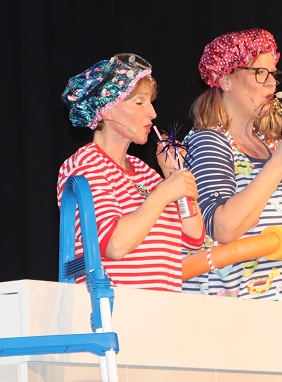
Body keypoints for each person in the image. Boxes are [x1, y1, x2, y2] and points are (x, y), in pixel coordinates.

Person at [182, 29, 282, 300]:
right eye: (260, 73)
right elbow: (223, 228)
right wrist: (278, 164)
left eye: (274, 74)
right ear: (225, 79)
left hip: (269, 308)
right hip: (218, 312)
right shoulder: (209, 141)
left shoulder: (272, 146)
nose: (271, 83)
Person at [58, 53, 205, 291]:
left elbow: (194, 236)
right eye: (139, 102)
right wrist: (163, 194)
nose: (152, 113)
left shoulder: (144, 172)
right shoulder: (86, 164)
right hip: (117, 308)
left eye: (151, 102)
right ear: (106, 110)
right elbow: (114, 245)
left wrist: (173, 174)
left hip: (161, 307)